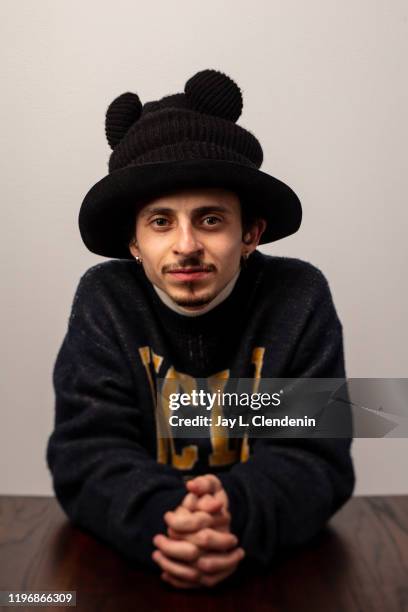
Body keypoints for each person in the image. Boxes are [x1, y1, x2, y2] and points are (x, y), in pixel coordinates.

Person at [46, 69, 355, 589]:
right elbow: (86, 452)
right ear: (134, 242)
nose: (186, 245)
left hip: (268, 568)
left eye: (210, 220)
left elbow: (318, 459)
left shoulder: (299, 296)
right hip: (143, 563)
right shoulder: (106, 299)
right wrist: (167, 518)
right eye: (161, 222)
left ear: (250, 233)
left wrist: (234, 511)